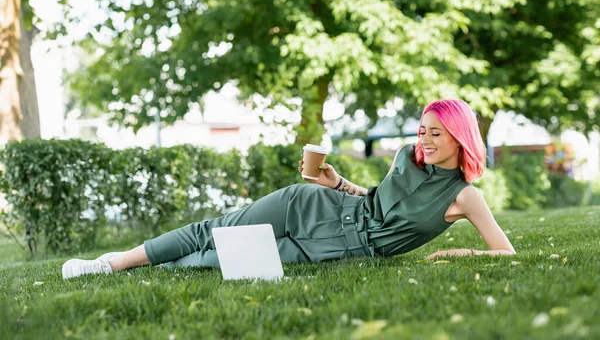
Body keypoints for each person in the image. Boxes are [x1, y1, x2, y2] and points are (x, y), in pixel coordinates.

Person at [62, 99, 515, 279]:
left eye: (435, 133)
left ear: (460, 135)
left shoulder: (465, 197)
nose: (425, 141)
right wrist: (334, 182)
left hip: (343, 248)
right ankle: (111, 263)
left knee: (224, 259)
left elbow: (504, 253)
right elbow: (375, 201)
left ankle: (152, 267)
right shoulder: (405, 157)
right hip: (310, 204)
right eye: (422, 131)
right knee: (216, 230)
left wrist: (452, 254)